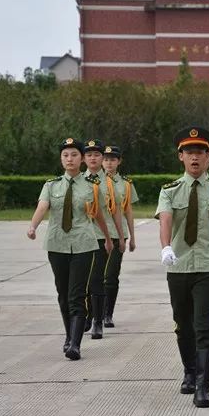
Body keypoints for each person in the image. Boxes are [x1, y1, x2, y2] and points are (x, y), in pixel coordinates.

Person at [156, 127, 209, 407]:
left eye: (200, 153)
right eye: (189, 152)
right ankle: (190, 372)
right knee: (183, 325)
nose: (195, 157)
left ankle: (204, 386)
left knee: (205, 327)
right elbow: (166, 218)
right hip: (178, 266)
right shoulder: (169, 190)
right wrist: (165, 245)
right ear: (180, 156)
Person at [27, 137, 113, 360]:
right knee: (63, 294)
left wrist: (107, 238)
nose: (69, 159)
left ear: (82, 159)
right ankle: (68, 336)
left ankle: (75, 344)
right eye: (65, 155)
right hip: (57, 245)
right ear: (61, 159)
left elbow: (99, 214)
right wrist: (33, 226)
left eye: (74, 155)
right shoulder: (51, 185)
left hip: (84, 245)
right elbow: (43, 207)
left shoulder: (92, 187)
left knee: (76, 295)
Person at [82, 139, 126, 339]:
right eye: (89, 154)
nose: (93, 158)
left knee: (98, 279)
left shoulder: (110, 184)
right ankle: (87, 315)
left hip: (104, 237)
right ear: (84, 158)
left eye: (96, 155)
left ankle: (98, 321)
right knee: (84, 281)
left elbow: (117, 212)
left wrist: (120, 238)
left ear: (101, 159)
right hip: (81, 237)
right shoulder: (77, 181)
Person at [101, 145, 139, 328]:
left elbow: (128, 211)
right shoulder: (92, 181)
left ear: (119, 161)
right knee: (93, 277)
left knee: (111, 276)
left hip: (117, 234)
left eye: (112, 159)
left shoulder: (125, 184)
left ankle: (107, 314)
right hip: (95, 235)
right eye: (106, 159)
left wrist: (131, 237)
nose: (109, 163)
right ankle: (93, 315)